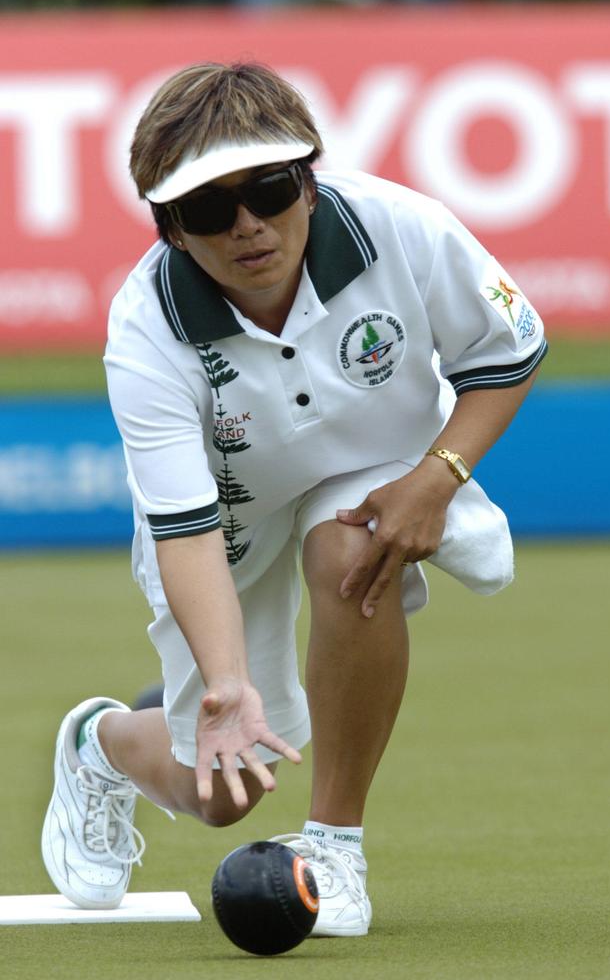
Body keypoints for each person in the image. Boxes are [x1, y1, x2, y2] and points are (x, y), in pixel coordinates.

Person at [41, 61, 546, 936]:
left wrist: (439, 477)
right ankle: (106, 743)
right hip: (229, 517)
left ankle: (335, 846)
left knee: (352, 551)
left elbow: (506, 352)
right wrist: (230, 684)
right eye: (208, 210)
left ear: (308, 182)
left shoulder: (403, 226)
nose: (247, 227)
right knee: (228, 790)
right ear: (170, 230)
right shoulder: (144, 333)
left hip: (374, 464)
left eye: (269, 190)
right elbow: (188, 527)